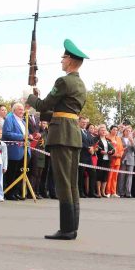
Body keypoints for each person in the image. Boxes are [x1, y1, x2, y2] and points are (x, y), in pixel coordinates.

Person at [27, 38, 88, 240]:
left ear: (70, 60)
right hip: (72, 133)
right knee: (72, 183)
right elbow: (62, 111)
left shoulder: (64, 81)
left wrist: (29, 97)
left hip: (61, 135)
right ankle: (73, 227)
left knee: (63, 183)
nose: (61, 61)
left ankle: (66, 229)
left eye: (63, 57)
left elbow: (45, 104)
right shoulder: (80, 83)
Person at [2, 102, 29, 200]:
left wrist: (28, 137)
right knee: (12, 172)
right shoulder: (10, 119)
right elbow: (6, 133)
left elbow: (26, 133)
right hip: (14, 150)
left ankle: (16, 192)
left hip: (24, 150)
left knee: (20, 172)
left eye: (22, 109)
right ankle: (9, 193)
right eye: (20, 109)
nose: (22, 111)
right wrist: (22, 137)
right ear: (14, 110)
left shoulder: (23, 121)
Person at [106, 124, 123, 197]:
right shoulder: (107, 137)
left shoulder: (119, 138)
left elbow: (122, 149)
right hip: (111, 159)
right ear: (110, 130)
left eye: (116, 130)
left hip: (118, 160)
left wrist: (120, 155)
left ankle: (113, 192)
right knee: (109, 176)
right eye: (114, 129)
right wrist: (113, 154)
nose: (115, 131)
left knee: (115, 177)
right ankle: (108, 191)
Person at [118, 126, 135, 198]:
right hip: (122, 159)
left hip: (131, 159)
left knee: (129, 177)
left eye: (129, 131)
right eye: (127, 131)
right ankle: (120, 192)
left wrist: (131, 141)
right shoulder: (120, 138)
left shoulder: (133, 139)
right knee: (121, 176)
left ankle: (128, 193)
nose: (128, 132)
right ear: (124, 132)